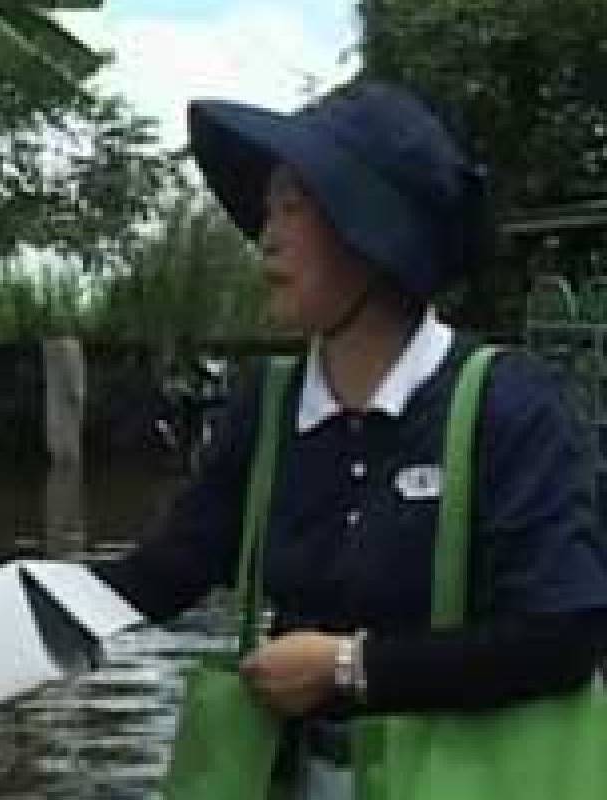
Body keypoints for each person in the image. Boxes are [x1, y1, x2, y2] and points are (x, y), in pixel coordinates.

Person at [95, 82, 607, 799]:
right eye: (268, 209)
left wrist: (351, 666)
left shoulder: (506, 406)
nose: (265, 237)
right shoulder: (267, 407)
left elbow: (564, 637)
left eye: (293, 209)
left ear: (372, 235)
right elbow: (159, 576)